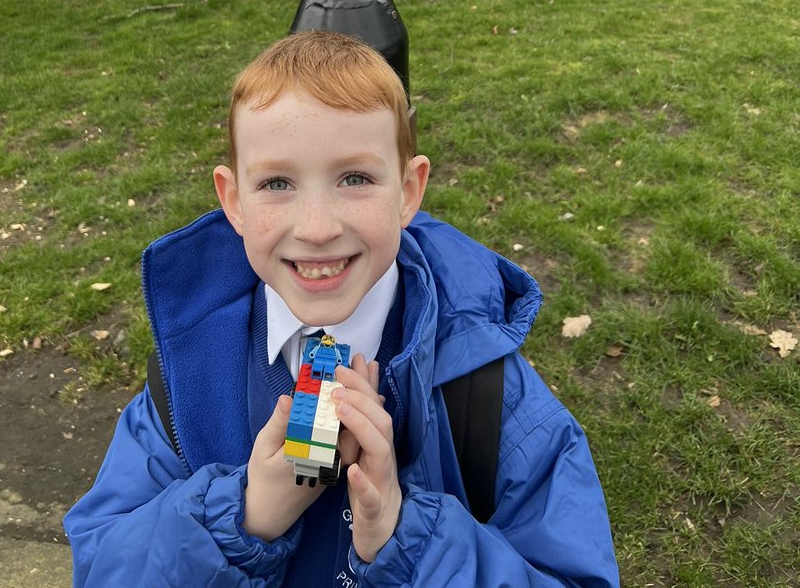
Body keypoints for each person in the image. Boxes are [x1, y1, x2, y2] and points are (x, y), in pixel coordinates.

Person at [65, 31, 619, 586]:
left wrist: (403, 540)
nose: (317, 228)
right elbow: (103, 565)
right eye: (276, 183)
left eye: (355, 178)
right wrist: (244, 519)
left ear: (408, 190)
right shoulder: (187, 378)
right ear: (233, 201)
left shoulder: (488, 393)